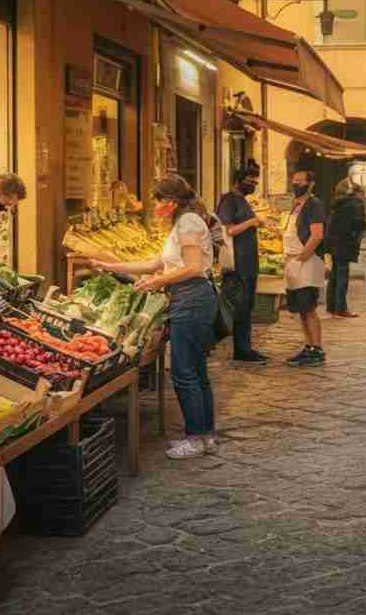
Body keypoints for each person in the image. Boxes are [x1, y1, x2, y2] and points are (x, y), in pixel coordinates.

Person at [91, 175, 217, 460]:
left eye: (157, 200)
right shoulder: (181, 223)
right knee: (196, 371)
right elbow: (152, 264)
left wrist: (157, 283)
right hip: (190, 298)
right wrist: (108, 264)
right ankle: (205, 435)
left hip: (192, 298)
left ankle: (195, 439)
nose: (154, 206)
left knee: (185, 372)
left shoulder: (187, 223)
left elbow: (194, 267)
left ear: (170, 202)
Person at [216, 163, 270, 364]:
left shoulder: (243, 200)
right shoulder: (228, 200)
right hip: (237, 263)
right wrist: (253, 222)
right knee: (239, 306)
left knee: (246, 306)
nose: (253, 183)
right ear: (238, 180)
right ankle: (241, 349)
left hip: (248, 262)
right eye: (250, 179)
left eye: (256, 179)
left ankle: (245, 348)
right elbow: (227, 230)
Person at [284, 169, 327, 368]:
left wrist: (302, 257)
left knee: (309, 308)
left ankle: (317, 349)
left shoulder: (314, 204)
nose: (296, 184)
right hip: (294, 262)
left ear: (310, 184)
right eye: (294, 181)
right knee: (301, 308)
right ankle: (309, 346)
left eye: (300, 181)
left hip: (305, 262)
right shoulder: (296, 206)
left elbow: (317, 235)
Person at [326, 179, 366, 318]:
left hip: (334, 242)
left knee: (335, 274)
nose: (365, 196)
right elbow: (357, 223)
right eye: (363, 193)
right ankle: (341, 308)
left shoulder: (338, 203)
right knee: (343, 274)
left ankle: (331, 307)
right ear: (358, 193)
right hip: (346, 242)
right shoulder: (356, 204)